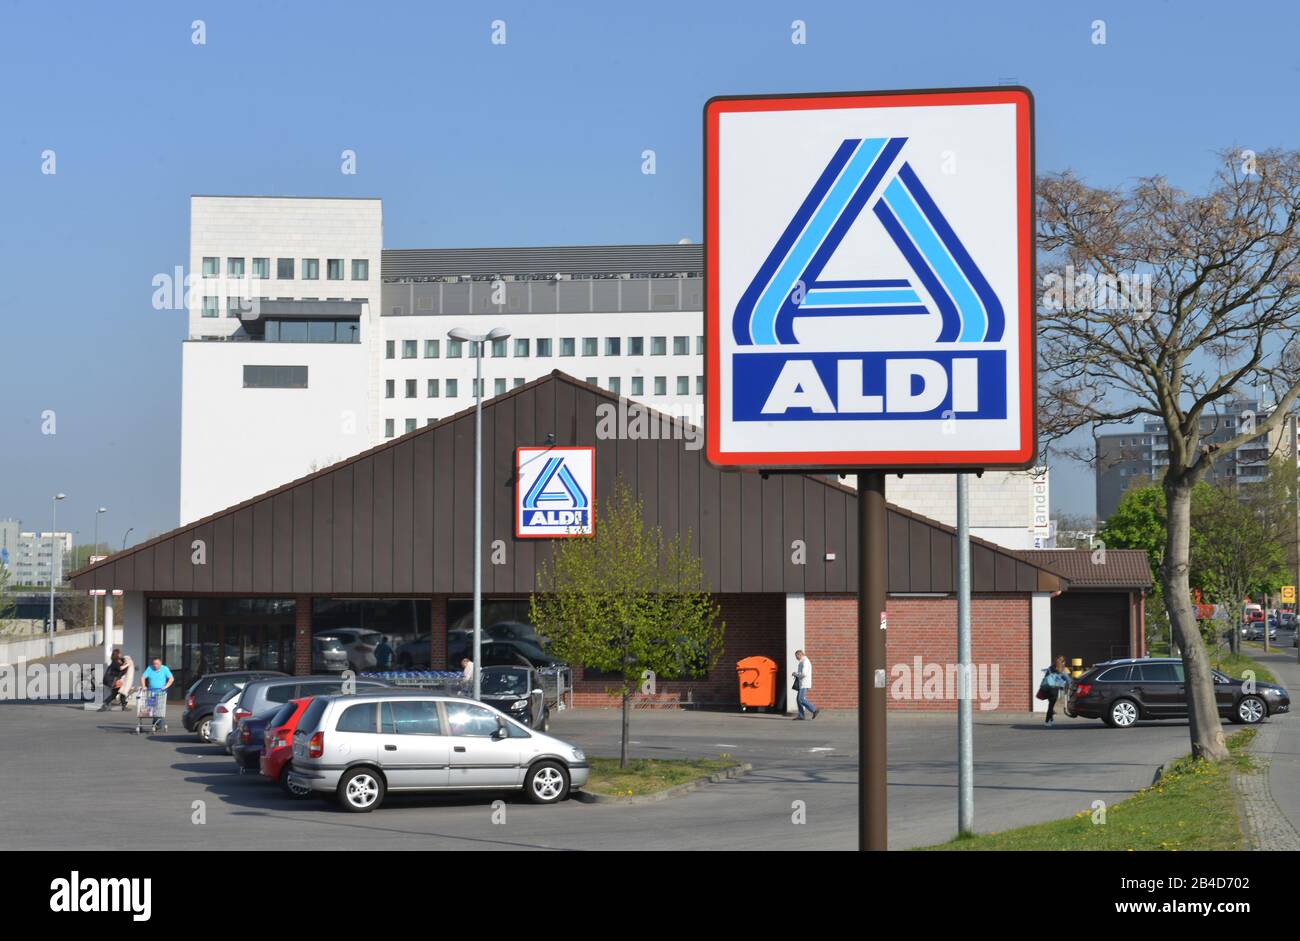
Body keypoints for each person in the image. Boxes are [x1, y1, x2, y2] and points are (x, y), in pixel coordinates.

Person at [1041, 655, 1072, 726]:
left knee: (1050, 705)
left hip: (1047, 688)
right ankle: (1047, 721)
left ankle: (1051, 719)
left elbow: (1045, 678)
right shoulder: (1062, 670)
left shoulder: (1050, 668)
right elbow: (1068, 680)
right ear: (1063, 662)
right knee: (1051, 706)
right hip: (1054, 690)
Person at [791, 649, 819, 720]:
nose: (796, 658)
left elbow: (804, 674)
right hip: (802, 683)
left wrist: (795, 674)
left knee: (800, 699)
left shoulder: (805, 662)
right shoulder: (803, 661)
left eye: (796, 656)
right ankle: (801, 715)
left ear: (800, 654)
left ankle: (814, 710)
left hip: (804, 684)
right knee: (798, 699)